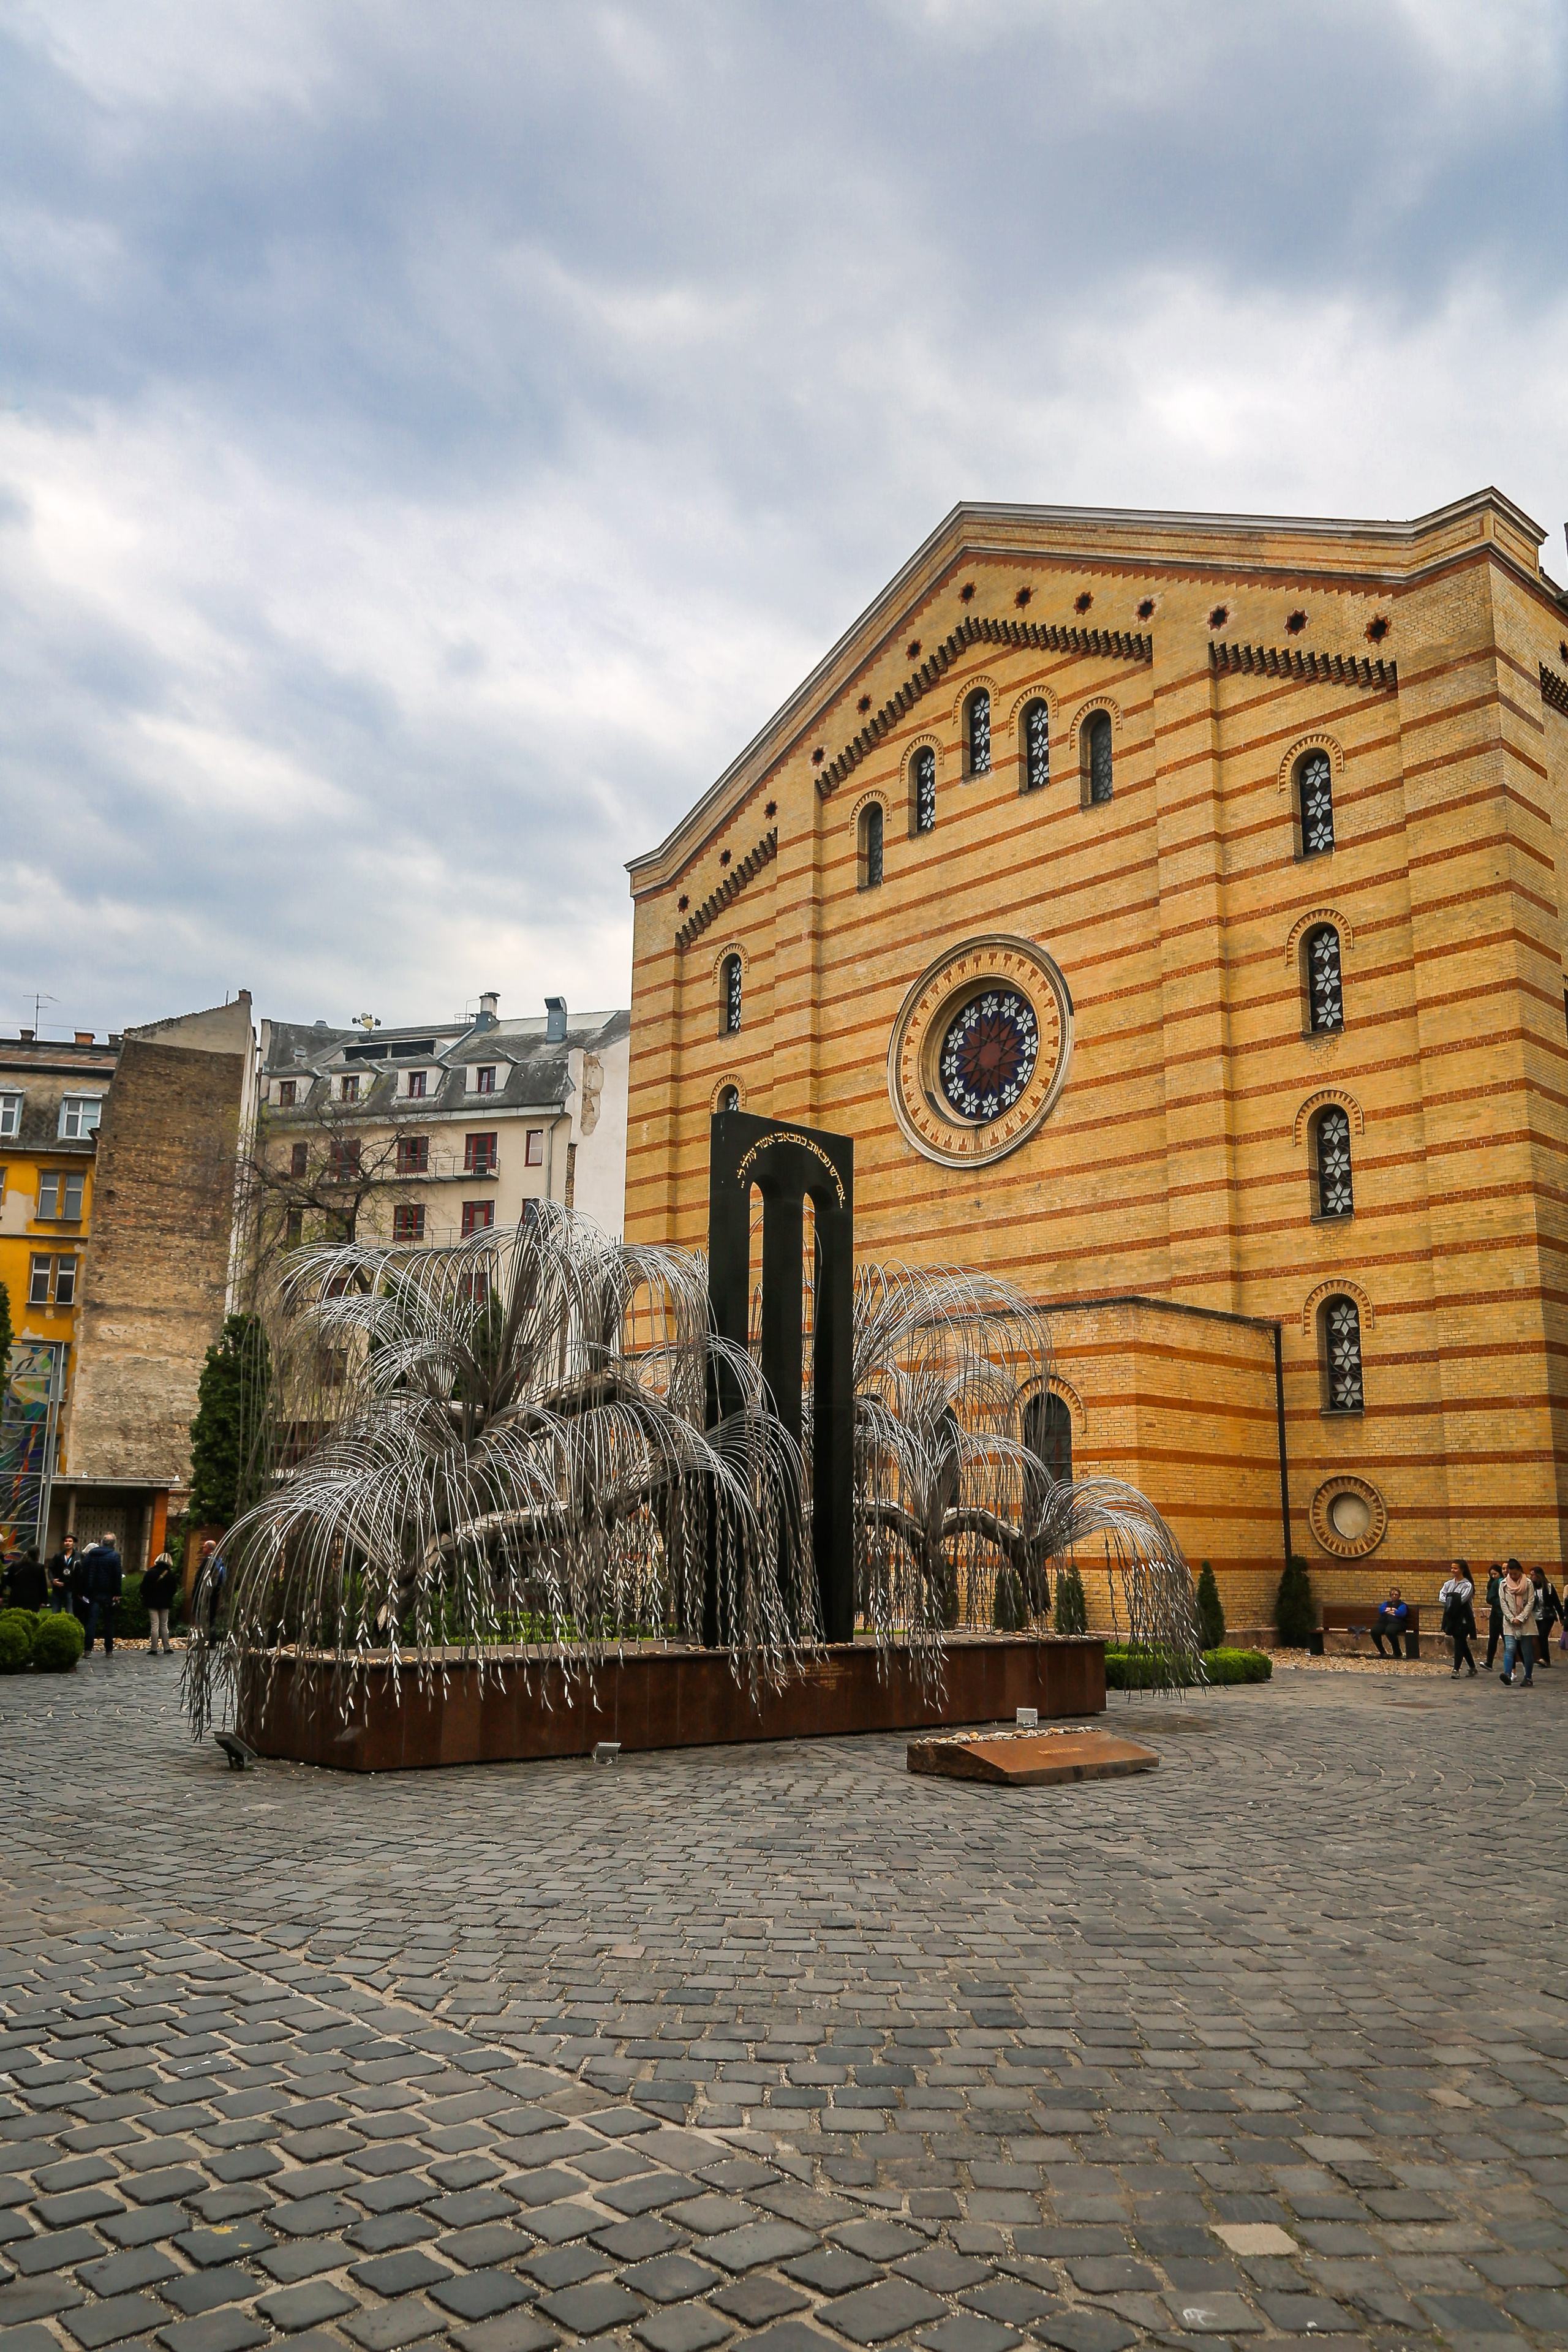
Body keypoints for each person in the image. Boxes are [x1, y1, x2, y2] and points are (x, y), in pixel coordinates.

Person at [82, 1533, 123, 1656]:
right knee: (109, 1622)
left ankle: (88, 1649)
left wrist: (85, 1590)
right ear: (114, 1544)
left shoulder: (91, 1555)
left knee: (92, 1621)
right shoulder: (114, 1556)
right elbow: (117, 1576)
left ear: (102, 1542)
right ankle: (109, 1650)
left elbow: (85, 1573)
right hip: (109, 1593)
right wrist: (117, 1593)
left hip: (94, 1592)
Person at [1499, 1558, 1536, 1688]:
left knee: (1527, 1651)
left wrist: (1521, 1618)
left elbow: (1531, 1601)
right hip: (1510, 1622)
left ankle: (1528, 1677)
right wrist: (1511, 1618)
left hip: (1525, 1621)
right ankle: (1507, 1674)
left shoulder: (1529, 1583)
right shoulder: (1503, 1584)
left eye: (1515, 1574)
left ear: (1520, 1571)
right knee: (1509, 1648)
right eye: (1511, 1574)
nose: (1513, 1576)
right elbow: (1503, 1602)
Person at [1439, 1561, 1477, 1678]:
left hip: (1464, 1618)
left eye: (1455, 1568)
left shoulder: (1467, 1585)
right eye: (1452, 1568)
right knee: (1461, 1643)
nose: (1453, 1570)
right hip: (1452, 1617)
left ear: (1462, 1570)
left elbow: (1462, 1600)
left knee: (1459, 1642)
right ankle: (1472, 1667)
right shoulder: (1448, 1584)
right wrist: (1450, 1601)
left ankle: (1456, 1669)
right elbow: (1442, 1597)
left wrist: (1451, 1600)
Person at [141, 1551, 178, 1656]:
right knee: (164, 1625)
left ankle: (154, 1649)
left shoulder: (150, 1572)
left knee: (154, 1625)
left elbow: (143, 1588)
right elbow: (174, 1590)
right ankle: (167, 1648)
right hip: (165, 1602)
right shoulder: (170, 1574)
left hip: (152, 1602)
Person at [1531, 1568, 1560, 1669]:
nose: (1531, 1577)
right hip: (1535, 1616)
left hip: (1547, 1616)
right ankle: (1539, 1657)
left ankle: (1546, 1659)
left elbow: (1556, 1602)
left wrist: (1561, 1616)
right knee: (1537, 1637)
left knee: (1543, 1636)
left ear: (1539, 1576)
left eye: (1533, 1575)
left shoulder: (1548, 1587)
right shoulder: (1531, 1588)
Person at [1372, 1587, 1411, 1661]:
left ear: (1399, 1596)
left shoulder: (1402, 1605)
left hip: (1398, 1623)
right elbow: (1381, 1610)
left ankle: (1397, 1653)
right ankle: (1383, 1652)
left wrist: (1389, 1611)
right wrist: (1393, 1610)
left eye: (1396, 1594)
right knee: (1375, 1631)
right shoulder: (1386, 1604)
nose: (1394, 1596)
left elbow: (1401, 1613)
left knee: (1389, 1631)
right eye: (1392, 1594)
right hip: (1385, 1623)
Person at [4, 1545, 47, 1611]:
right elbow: (43, 1586)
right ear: (38, 1555)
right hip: (32, 1600)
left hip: (15, 1598)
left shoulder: (15, 1565)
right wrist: (43, 1601)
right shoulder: (39, 1567)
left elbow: (8, 1582)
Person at [1484, 1564, 1505, 1671]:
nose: (1493, 1576)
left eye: (1495, 1574)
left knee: (1507, 1639)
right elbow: (1490, 1598)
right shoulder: (1494, 1584)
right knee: (1493, 1638)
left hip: (1505, 1615)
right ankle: (1489, 1661)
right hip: (1496, 1614)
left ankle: (1511, 1662)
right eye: (1491, 1574)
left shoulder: (1503, 1583)